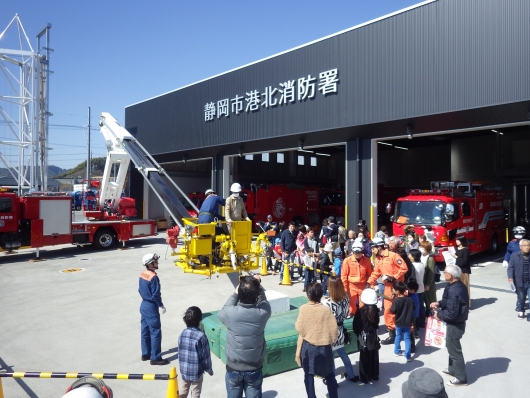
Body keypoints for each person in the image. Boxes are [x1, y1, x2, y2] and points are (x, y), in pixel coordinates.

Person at [218, 274, 272, 398]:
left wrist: (235, 293)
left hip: (233, 366)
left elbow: (223, 310)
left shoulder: (230, 313)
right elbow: (264, 302)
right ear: (256, 294)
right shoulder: (262, 313)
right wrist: (259, 287)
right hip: (255, 367)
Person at [295, 282, 339, 398]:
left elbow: (299, 327)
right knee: (329, 374)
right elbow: (334, 329)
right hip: (325, 347)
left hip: (309, 347)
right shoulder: (326, 309)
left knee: (309, 375)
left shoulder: (304, 309)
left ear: (309, 295)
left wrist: (308, 333)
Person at [430, 264, 469, 387]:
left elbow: (452, 313)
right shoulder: (455, 286)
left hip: (455, 324)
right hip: (455, 322)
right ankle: (453, 370)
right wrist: (439, 303)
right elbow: (449, 302)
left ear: (450, 275)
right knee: (451, 347)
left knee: (454, 351)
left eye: (445, 272)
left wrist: (438, 315)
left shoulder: (454, 289)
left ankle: (461, 378)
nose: (443, 273)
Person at [367, 237, 408, 345]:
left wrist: (394, 277)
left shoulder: (393, 256)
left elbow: (404, 268)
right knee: (388, 310)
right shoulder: (377, 259)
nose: (372, 250)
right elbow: (376, 272)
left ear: (379, 247)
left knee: (403, 310)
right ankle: (392, 333)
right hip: (388, 288)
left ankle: (410, 335)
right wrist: (369, 282)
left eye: (373, 248)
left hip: (399, 287)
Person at [324, 276, 358, 383]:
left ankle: (332, 380)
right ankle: (351, 375)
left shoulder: (327, 303)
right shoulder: (346, 299)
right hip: (341, 329)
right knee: (343, 354)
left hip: (331, 331)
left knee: (331, 357)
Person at [138, 253, 169, 365]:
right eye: (155, 261)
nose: (157, 263)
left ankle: (145, 354)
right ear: (150, 264)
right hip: (151, 306)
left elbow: (139, 290)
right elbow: (156, 294)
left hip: (143, 305)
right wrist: (161, 305)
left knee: (145, 331)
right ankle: (155, 357)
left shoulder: (143, 274)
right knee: (155, 332)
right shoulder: (154, 277)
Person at [178, 306, 213, 397]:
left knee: (182, 392)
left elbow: (180, 351)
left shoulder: (182, 333)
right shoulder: (201, 336)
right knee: (196, 393)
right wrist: (208, 369)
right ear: (199, 320)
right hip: (196, 372)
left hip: (184, 371)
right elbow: (205, 356)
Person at [353, 289, 380, 385]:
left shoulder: (360, 312)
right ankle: (374, 375)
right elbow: (377, 324)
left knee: (364, 357)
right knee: (374, 356)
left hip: (363, 336)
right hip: (373, 336)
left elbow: (356, 326)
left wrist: (358, 334)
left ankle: (364, 377)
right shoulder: (376, 310)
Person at [341, 242, 372, 317]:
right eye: (356, 253)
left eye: (359, 253)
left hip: (363, 285)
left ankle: (362, 318)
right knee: (351, 304)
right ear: (352, 251)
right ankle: (352, 316)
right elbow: (344, 276)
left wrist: (370, 284)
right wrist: (345, 288)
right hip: (351, 286)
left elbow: (370, 274)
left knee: (363, 304)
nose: (357, 254)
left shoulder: (367, 260)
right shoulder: (347, 261)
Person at [390, 281, 414, 362]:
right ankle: (408, 355)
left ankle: (397, 351)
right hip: (408, 322)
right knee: (407, 338)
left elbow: (392, 311)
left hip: (399, 323)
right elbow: (413, 308)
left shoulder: (396, 301)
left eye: (393, 289)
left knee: (398, 336)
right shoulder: (409, 299)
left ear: (397, 291)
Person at [507, 239, 530, 319]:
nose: (527, 247)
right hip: (520, 281)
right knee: (521, 298)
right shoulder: (514, 256)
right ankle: (521, 310)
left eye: (528, 245)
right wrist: (510, 277)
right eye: (525, 245)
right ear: (520, 247)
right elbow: (510, 268)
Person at [408, 249, 426, 328]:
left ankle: (417, 325)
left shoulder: (413, 266)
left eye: (410, 255)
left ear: (413, 257)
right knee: (421, 306)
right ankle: (422, 323)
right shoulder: (422, 264)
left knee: (416, 308)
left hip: (415, 289)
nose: (408, 256)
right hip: (421, 288)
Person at [452, 236, 471, 307]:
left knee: (464, 287)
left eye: (458, 240)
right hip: (457, 271)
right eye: (456, 240)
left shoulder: (465, 250)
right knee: (457, 288)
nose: (456, 241)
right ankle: (458, 302)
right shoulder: (456, 249)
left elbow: (464, 262)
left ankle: (466, 303)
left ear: (462, 241)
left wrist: (456, 257)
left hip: (463, 271)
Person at [421, 241, 437, 310]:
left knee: (430, 301)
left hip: (427, 283)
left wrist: (428, 284)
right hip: (421, 281)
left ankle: (431, 315)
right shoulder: (420, 256)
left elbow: (431, 273)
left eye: (422, 247)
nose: (420, 249)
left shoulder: (430, 259)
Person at [407, 280, 420, 353]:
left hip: (413, 314)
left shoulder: (411, 297)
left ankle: (412, 346)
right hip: (415, 314)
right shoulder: (415, 295)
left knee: (411, 328)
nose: (407, 290)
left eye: (408, 289)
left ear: (412, 290)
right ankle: (415, 332)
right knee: (414, 324)